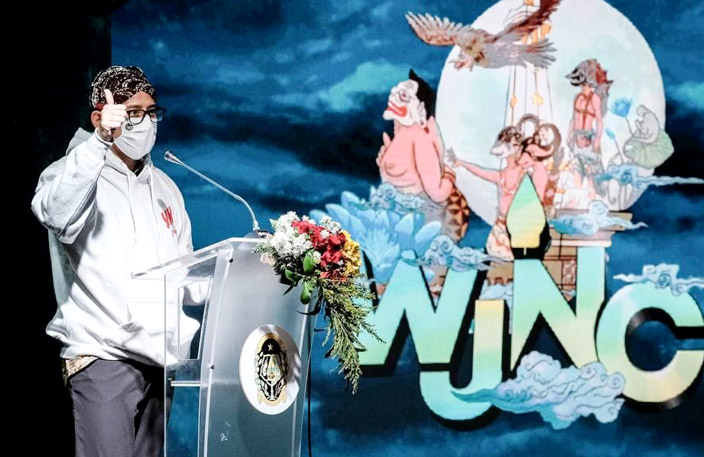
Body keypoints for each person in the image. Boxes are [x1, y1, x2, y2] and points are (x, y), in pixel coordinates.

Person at [31, 66, 193, 457]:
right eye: (133, 113)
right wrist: (100, 142)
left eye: (151, 112)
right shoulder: (70, 172)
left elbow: (187, 271)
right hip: (104, 354)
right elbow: (56, 215)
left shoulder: (167, 187)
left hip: (160, 358)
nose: (146, 123)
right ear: (100, 117)